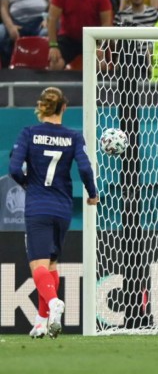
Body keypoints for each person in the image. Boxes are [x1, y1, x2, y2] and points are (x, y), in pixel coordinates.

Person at [9, 87, 99, 339]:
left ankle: (53, 303)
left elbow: (14, 167)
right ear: (64, 108)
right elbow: (84, 168)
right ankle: (41, 321)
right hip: (62, 208)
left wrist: (27, 182)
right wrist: (92, 194)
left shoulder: (29, 133)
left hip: (38, 205)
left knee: (37, 264)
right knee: (51, 264)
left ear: (43, 107)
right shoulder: (73, 136)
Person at [47, 0, 113, 70]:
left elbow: (106, 23)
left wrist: (100, 45)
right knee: (55, 64)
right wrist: (53, 46)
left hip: (93, 39)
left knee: (101, 66)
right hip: (68, 38)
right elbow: (52, 20)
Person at [0, 0, 56, 67]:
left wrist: (47, 19)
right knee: (1, 32)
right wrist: (10, 27)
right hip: (16, 23)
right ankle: (7, 70)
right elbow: (3, 7)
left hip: (41, 21)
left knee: (47, 32)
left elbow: (54, 0)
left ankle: (43, 70)